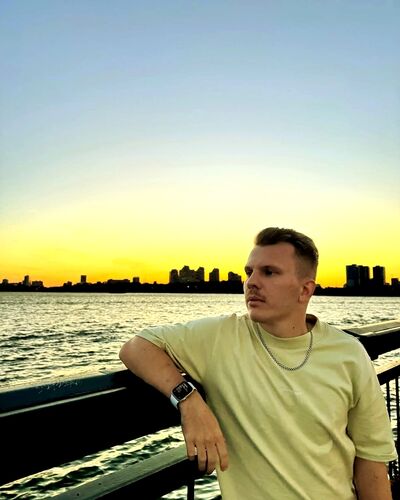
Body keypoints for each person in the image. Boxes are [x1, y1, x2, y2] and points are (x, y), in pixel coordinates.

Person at [119, 227, 397, 499]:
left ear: (305, 290)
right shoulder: (221, 337)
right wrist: (188, 400)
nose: (252, 282)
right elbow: (136, 347)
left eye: (269, 272)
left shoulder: (348, 353)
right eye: (249, 272)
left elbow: (371, 463)